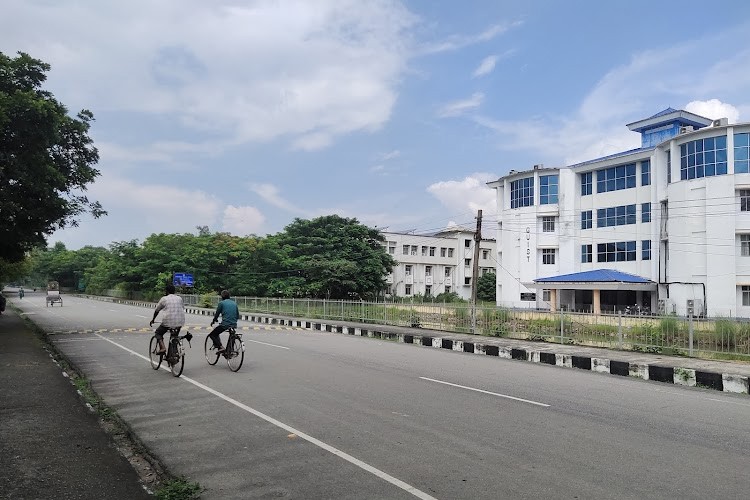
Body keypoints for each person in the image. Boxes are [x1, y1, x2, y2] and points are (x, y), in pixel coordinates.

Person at [149, 284, 186, 355]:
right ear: (174, 291)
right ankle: (174, 354)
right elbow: (182, 308)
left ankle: (162, 348)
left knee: (158, 333)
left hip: (167, 322)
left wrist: (153, 319)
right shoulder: (179, 298)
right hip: (180, 322)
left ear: (167, 291)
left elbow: (157, 310)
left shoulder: (164, 299)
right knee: (174, 337)